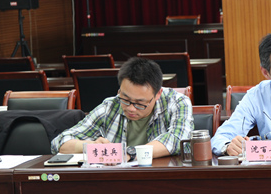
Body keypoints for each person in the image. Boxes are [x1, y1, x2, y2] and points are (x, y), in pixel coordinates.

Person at [51, 57, 193, 159]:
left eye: (140, 103)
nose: (131, 108)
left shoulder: (177, 102)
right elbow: (59, 142)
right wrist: (91, 145)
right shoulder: (110, 106)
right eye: (125, 99)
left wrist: (129, 152)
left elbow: (179, 139)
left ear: (158, 94)